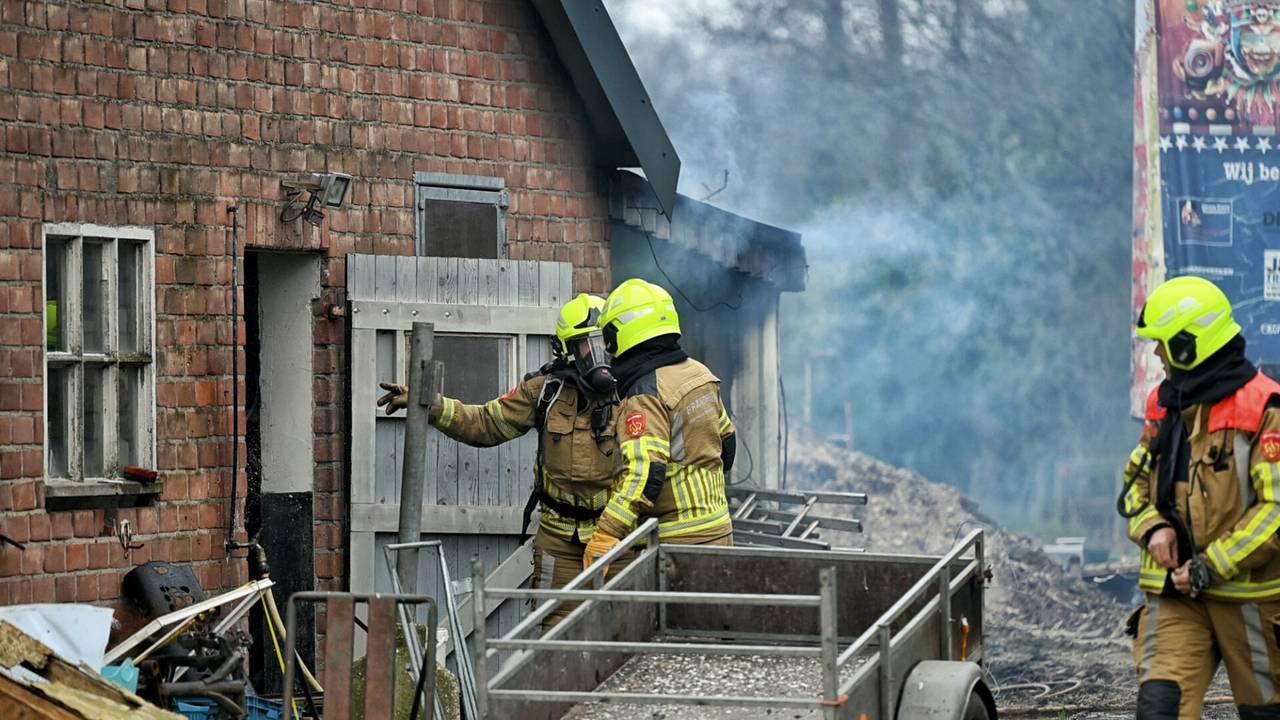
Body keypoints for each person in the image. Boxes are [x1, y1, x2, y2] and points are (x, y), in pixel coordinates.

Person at [377, 293, 621, 629]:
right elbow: (486, 424)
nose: (599, 356)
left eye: (604, 344)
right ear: (566, 350)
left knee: (622, 630)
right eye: (587, 346)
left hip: (614, 538)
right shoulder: (544, 391)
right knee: (555, 637)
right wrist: (430, 404)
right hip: (559, 543)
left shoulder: (632, 394)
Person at [1120, 275, 1280, 719]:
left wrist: (1211, 566)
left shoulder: (1265, 409)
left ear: (1192, 345)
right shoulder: (1164, 405)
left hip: (1252, 602)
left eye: (1164, 344)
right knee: (1160, 709)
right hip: (1176, 598)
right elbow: (1134, 485)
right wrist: (1153, 526)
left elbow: (1276, 512)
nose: (1156, 354)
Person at [584, 279, 737, 570]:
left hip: (677, 544)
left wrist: (607, 532)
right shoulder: (700, 374)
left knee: (677, 618)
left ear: (620, 334)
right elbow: (727, 444)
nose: (606, 347)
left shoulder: (646, 391)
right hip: (719, 530)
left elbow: (644, 473)